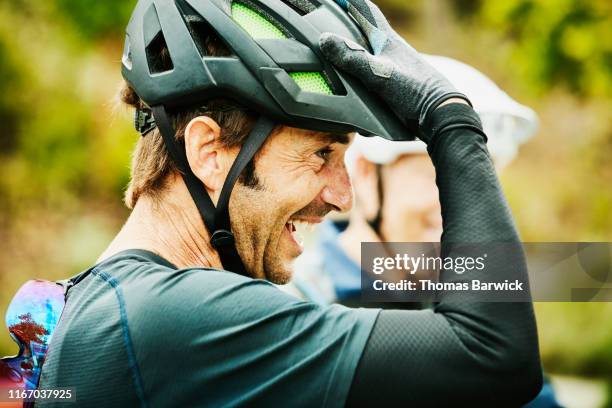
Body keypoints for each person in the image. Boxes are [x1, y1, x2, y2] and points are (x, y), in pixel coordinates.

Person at [36, 0, 542, 406]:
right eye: (320, 154)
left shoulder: (63, 307)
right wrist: (450, 122)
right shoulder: (175, 320)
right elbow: (494, 358)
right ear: (209, 152)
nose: (342, 196)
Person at [285, 56, 563, 408]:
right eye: (442, 176)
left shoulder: (477, 306)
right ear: (368, 178)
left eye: (481, 183)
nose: (468, 212)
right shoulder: (294, 307)